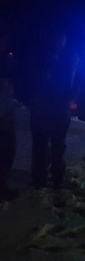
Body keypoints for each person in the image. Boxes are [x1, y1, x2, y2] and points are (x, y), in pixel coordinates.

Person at [28, 27, 80, 189]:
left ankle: (57, 178)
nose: (57, 42)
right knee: (40, 145)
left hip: (60, 110)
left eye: (60, 39)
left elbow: (78, 82)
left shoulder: (70, 59)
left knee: (58, 145)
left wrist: (70, 100)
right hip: (41, 110)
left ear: (64, 41)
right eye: (54, 39)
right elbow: (30, 82)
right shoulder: (38, 59)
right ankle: (39, 179)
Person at [0, 22, 19, 200]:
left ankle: (2, 185)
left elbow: (13, 86)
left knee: (7, 152)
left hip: (7, 113)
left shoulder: (9, 60)